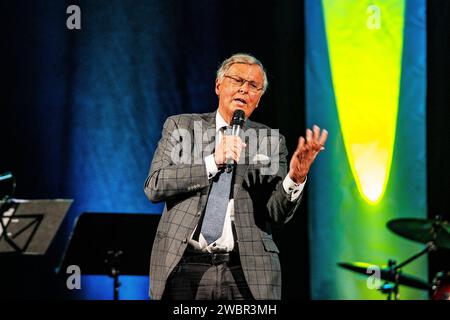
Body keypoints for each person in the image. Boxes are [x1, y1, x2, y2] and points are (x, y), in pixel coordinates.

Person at [144, 53, 328, 300]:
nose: (244, 89)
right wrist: (213, 161)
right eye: (237, 80)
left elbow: (277, 213)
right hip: (185, 265)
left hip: (246, 269)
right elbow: (154, 186)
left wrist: (296, 177)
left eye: (253, 86)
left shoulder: (270, 141)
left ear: (259, 99)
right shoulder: (181, 127)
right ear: (218, 85)